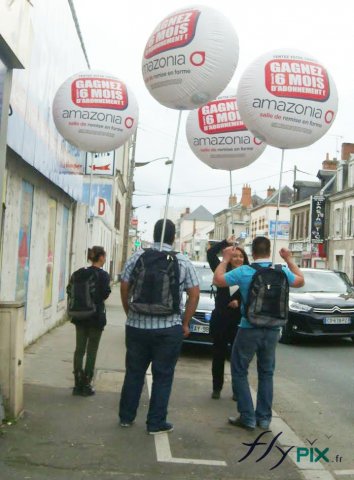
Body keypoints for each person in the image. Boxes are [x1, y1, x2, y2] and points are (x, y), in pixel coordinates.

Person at [213, 237, 304, 430]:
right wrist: (288, 259)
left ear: (252, 252)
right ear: (269, 251)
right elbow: (301, 281)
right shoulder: (281, 272)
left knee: (239, 370)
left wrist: (225, 259)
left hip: (249, 327)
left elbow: (218, 280)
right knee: (266, 373)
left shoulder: (245, 271)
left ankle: (247, 416)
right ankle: (263, 418)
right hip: (273, 329)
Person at [119, 219, 200, 435]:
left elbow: (125, 285)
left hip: (137, 326)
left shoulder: (137, 257)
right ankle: (155, 423)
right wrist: (185, 322)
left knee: (134, 372)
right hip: (168, 328)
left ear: (154, 235)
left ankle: (126, 417)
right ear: (173, 238)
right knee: (163, 376)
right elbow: (194, 294)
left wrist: (130, 312)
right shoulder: (182, 261)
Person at [207, 237, 249, 400]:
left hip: (240, 322)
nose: (237, 259)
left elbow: (254, 295)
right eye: (234, 256)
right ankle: (216, 388)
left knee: (237, 358)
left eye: (241, 256)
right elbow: (211, 253)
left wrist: (240, 301)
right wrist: (225, 242)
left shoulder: (249, 274)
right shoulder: (221, 270)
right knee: (218, 355)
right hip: (220, 320)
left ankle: (236, 391)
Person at [68, 246, 111, 396]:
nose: (105, 259)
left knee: (79, 350)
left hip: (79, 317)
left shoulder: (79, 273)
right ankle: (86, 384)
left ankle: (77, 383)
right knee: (91, 351)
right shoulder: (103, 275)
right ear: (100, 257)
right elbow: (104, 294)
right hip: (96, 317)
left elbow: (69, 290)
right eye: (104, 256)